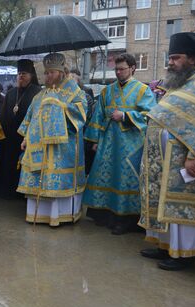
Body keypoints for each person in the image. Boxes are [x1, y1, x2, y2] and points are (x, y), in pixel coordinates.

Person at [139, 32, 195, 270]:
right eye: (170, 58)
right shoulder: (179, 84)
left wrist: (194, 156)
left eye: (176, 58)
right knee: (161, 203)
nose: (170, 63)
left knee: (181, 210)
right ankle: (164, 245)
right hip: (162, 158)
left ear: (192, 59)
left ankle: (186, 254)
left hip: (185, 161)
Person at [83, 53, 156, 235]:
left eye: (122, 69)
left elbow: (151, 115)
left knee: (125, 179)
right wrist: (95, 140)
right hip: (108, 142)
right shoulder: (107, 90)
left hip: (131, 144)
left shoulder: (142, 90)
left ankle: (126, 220)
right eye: (116, 69)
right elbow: (98, 115)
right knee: (105, 175)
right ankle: (105, 215)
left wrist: (125, 116)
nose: (118, 72)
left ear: (132, 68)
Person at [17, 53, 87, 227]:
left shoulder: (74, 92)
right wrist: (26, 137)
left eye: (51, 73)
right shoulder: (40, 95)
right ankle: (38, 214)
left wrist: (59, 105)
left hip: (61, 150)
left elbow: (81, 116)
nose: (47, 76)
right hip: (38, 148)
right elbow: (31, 117)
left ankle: (60, 215)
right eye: (46, 73)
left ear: (62, 72)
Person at [0, 59, 41, 198]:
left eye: (24, 74)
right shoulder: (11, 93)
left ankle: (24, 194)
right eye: (19, 74)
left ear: (31, 75)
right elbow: (3, 114)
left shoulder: (38, 92)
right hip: (11, 136)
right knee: (9, 163)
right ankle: (9, 191)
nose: (21, 76)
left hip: (27, 137)